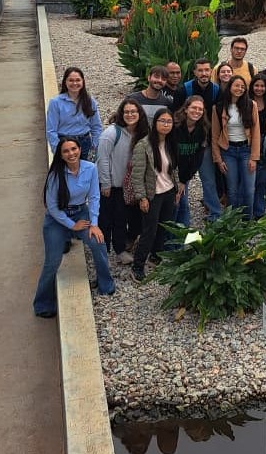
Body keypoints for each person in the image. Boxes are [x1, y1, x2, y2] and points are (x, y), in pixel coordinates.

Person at [33, 137, 115, 318]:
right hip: (58, 219)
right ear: (61, 155)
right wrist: (72, 225)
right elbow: (52, 207)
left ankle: (106, 285)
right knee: (52, 261)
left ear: (79, 149)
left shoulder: (90, 169)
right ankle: (43, 303)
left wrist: (94, 224)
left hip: (81, 213)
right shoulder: (55, 175)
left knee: (98, 242)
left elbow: (94, 197)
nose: (71, 153)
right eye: (66, 151)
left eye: (74, 149)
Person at [130, 108, 184, 281]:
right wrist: (142, 197)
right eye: (162, 121)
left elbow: (173, 167)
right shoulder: (143, 145)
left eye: (169, 122)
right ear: (155, 123)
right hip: (153, 195)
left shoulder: (170, 142)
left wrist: (177, 189)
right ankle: (138, 265)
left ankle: (156, 255)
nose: (166, 125)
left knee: (164, 226)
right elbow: (137, 174)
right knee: (149, 231)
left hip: (168, 192)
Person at [96, 98, 148, 264]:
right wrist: (105, 183)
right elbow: (102, 159)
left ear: (139, 114)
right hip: (110, 185)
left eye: (134, 111)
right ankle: (102, 251)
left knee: (121, 219)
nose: (130, 115)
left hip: (126, 186)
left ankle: (119, 250)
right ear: (121, 113)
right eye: (126, 112)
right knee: (105, 220)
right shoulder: (111, 133)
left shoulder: (141, 133)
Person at [172, 58, 224, 223]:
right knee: (182, 180)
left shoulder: (216, 90)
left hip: (204, 142)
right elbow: (175, 116)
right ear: (194, 72)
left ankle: (215, 212)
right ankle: (180, 214)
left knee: (208, 179)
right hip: (183, 143)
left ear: (211, 72)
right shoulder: (184, 90)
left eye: (207, 70)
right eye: (200, 70)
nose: (204, 73)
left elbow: (219, 117)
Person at [212, 75, 261, 219]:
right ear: (230, 87)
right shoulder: (219, 107)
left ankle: (247, 221)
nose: (239, 89)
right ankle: (233, 221)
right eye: (236, 85)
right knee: (232, 190)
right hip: (228, 151)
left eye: (242, 86)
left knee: (249, 189)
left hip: (246, 150)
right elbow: (215, 135)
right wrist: (218, 159)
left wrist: (254, 157)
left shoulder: (251, 105)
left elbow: (256, 131)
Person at [46, 67, 103, 160]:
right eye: (71, 80)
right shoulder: (55, 102)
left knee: (86, 173)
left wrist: (94, 147)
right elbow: (51, 130)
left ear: (83, 81)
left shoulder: (90, 101)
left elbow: (96, 127)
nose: (75, 83)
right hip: (65, 144)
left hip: (85, 144)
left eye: (78, 80)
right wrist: (57, 150)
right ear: (65, 82)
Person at [173, 95, 208, 228]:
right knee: (176, 204)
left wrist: (183, 180)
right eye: (194, 107)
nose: (197, 111)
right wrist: (177, 180)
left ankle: (182, 240)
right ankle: (169, 242)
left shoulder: (203, 130)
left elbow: (197, 159)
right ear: (186, 109)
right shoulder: (174, 127)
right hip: (170, 172)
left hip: (185, 173)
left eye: (200, 109)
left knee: (182, 203)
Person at [249, 76, 266, 219]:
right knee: (249, 177)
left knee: (263, 178)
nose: (259, 89)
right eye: (256, 85)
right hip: (250, 142)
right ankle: (246, 210)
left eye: (262, 86)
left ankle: (259, 211)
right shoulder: (246, 103)